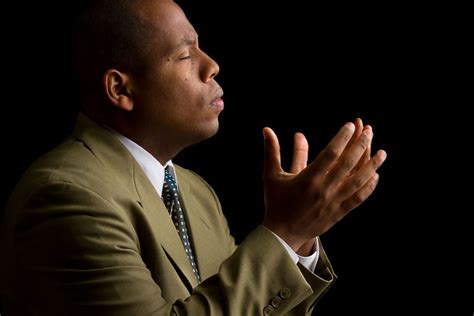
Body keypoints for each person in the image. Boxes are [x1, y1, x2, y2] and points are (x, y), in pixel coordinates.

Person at [0, 0, 387, 315]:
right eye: (185, 55)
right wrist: (288, 232)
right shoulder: (67, 196)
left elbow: (248, 307)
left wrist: (298, 240)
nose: (212, 65)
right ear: (121, 89)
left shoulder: (194, 191)